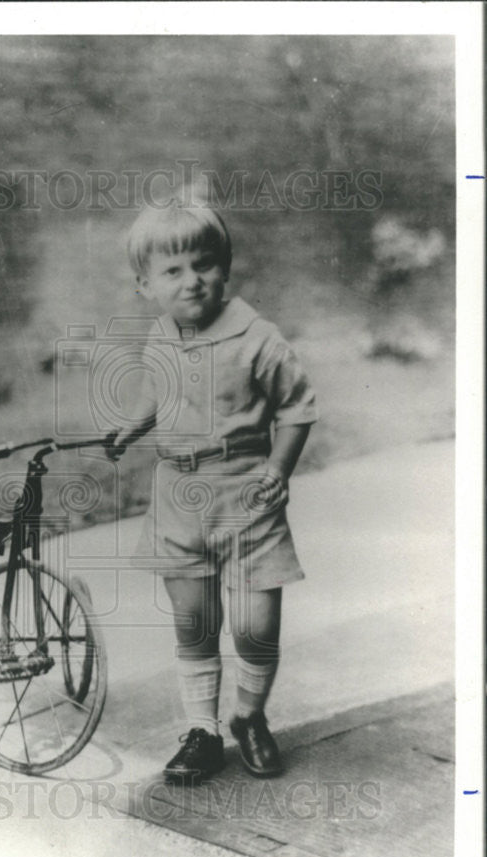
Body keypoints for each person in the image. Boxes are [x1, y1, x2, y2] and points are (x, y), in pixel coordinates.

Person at [106, 197, 317, 783]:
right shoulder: (161, 336)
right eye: (172, 271)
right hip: (178, 498)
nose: (191, 280)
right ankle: (202, 731)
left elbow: (298, 407)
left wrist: (278, 468)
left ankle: (248, 717)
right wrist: (134, 422)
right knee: (194, 624)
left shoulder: (257, 336)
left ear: (225, 268)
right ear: (145, 284)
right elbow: (159, 391)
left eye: (203, 264)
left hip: (246, 494)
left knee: (255, 625)